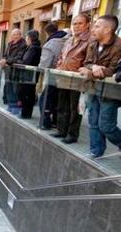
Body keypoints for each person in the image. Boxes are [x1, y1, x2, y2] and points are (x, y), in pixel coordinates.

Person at [80, 15, 121, 157]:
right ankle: (96, 151)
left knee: (106, 126)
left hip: (111, 92)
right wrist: (94, 67)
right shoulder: (93, 44)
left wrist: (94, 71)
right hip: (92, 87)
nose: (93, 29)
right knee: (93, 122)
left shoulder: (119, 46)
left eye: (97, 26)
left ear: (108, 29)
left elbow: (114, 71)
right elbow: (86, 64)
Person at [51, 14, 91, 143]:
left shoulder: (90, 41)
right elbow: (61, 57)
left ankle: (72, 134)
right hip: (64, 77)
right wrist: (58, 67)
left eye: (80, 23)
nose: (76, 26)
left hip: (77, 80)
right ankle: (61, 130)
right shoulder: (69, 40)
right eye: (74, 23)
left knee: (75, 108)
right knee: (62, 106)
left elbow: (89, 62)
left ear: (87, 25)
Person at [38, 22, 68, 130]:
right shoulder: (68, 39)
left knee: (44, 100)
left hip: (53, 76)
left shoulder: (50, 44)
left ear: (47, 33)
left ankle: (46, 123)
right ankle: (57, 123)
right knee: (58, 101)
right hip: (66, 76)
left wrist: (40, 70)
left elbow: (45, 63)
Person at [0, 29, 27, 115]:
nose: (15, 36)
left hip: (16, 71)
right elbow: (5, 55)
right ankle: (10, 105)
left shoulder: (23, 45)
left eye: (16, 34)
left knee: (16, 89)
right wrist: (3, 59)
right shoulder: (9, 44)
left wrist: (6, 61)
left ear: (20, 35)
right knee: (8, 88)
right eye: (13, 35)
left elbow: (19, 57)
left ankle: (16, 107)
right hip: (8, 70)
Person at [16, 30, 42, 119]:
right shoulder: (32, 47)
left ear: (30, 38)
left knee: (27, 94)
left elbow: (26, 61)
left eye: (27, 37)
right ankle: (26, 113)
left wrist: (19, 61)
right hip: (30, 75)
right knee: (29, 93)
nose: (26, 39)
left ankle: (25, 113)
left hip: (29, 75)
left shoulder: (33, 48)